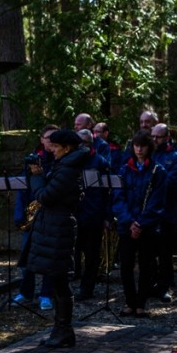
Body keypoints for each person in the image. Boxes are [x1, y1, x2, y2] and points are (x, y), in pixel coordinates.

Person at [22, 129, 88, 347]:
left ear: (67, 148)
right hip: (54, 226)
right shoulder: (64, 166)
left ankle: (64, 330)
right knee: (58, 280)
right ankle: (60, 330)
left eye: (57, 148)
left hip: (59, 228)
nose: (53, 152)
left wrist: (37, 177)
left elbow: (46, 196)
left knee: (60, 281)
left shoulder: (68, 170)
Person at [112, 131, 166, 317]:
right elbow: (118, 199)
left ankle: (141, 303)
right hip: (127, 225)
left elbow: (157, 202)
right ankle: (130, 302)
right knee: (125, 265)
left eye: (143, 146)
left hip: (147, 226)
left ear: (149, 147)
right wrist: (129, 222)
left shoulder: (158, 171)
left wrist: (141, 223)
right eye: (136, 145)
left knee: (146, 265)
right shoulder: (124, 170)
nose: (139, 149)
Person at [13, 125, 58, 310]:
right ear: (41, 139)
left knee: (48, 258)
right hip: (32, 216)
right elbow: (23, 189)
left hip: (50, 214)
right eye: (48, 137)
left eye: (54, 138)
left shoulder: (59, 160)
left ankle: (46, 294)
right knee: (26, 255)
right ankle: (26, 292)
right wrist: (20, 215)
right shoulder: (33, 159)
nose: (51, 141)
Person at [73, 129, 111, 301]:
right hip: (74, 214)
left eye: (85, 143)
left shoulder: (100, 162)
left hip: (93, 215)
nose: (82, 146)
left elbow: (109, 192)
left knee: (91, 255)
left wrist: (106, 216)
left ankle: (87, 288)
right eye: (79, 143)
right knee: (72, 251)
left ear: (91, 144)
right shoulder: (72, 160)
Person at [151, 123, 177, 302]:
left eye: (158, 137)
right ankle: (149, 284)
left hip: (166, 211)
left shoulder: (176, 157)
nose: (155, 140)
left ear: (167, 138)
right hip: (148, 210)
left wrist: (154, 179)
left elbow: (172, 182)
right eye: (153, 137)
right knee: (148, 252)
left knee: (165, 253)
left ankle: (165, 286)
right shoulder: (149, 153)